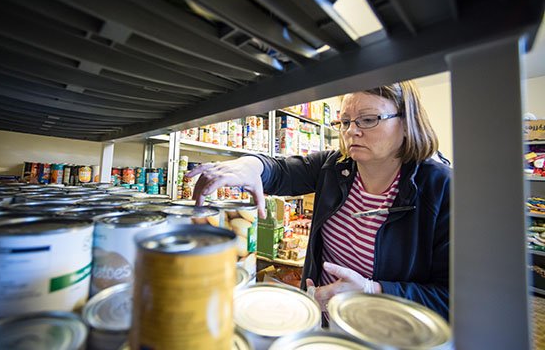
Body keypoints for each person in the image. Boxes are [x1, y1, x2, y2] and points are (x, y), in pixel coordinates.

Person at [188, 80, 450, 322]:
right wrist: (249, 166)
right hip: (322, 322)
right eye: (345, 121)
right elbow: (280, 171)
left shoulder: (441, 188)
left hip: (387, 333)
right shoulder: (335, 166)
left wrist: (373, 290)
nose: (351, 132)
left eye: (368, 120)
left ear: (407, 123)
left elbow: (452, 298)